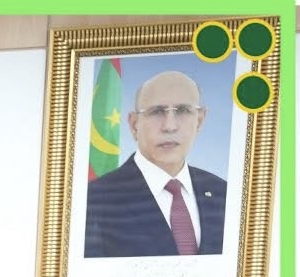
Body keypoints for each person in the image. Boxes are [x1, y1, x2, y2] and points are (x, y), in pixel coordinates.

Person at [84, 70, 227, 259]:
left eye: (183, 110)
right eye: (157, 112)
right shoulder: (94, 202)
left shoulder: (224, 193)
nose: (169, 126)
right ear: (134, 124)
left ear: (199, 121)